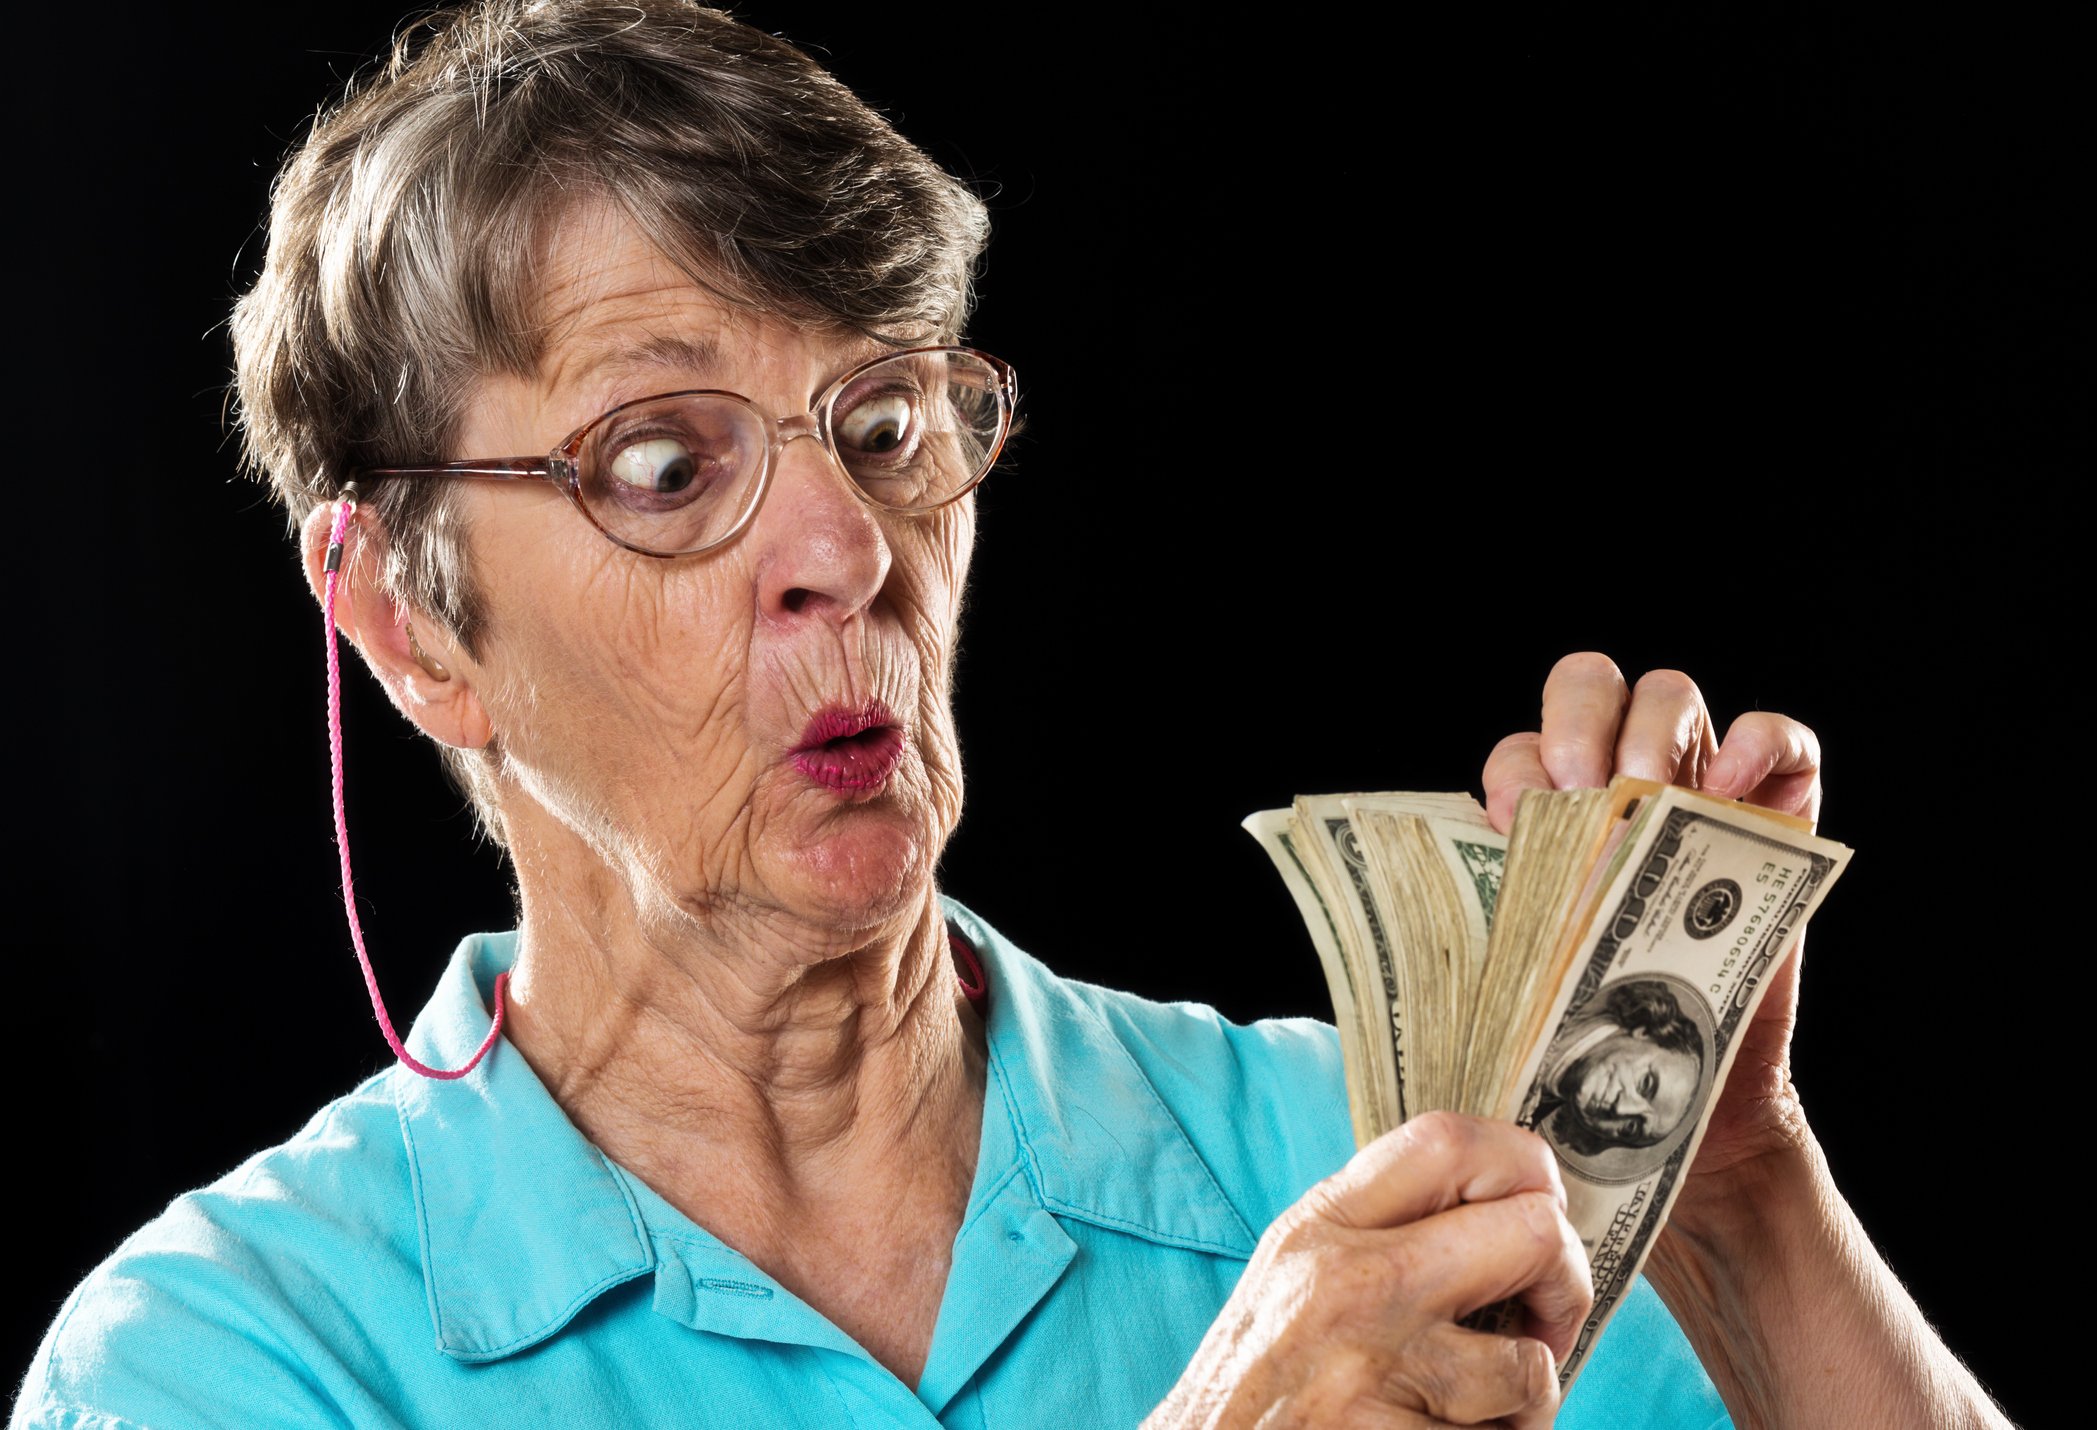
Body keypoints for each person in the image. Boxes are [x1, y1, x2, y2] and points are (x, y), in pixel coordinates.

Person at [14, 4, 2009, 1427]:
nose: (846, 547)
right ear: (405, 623)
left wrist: (1738, 1202)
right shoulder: (224, 1361)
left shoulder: (1372, 1157)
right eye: (664, 467)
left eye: (885, 423)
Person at [1533, 978, 1706, 1159]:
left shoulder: (1520, 1129)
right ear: (1644, 1032)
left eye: (1630, 1128)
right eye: (1645, 1084)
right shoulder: (1571, 988)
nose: (1621, 1109)